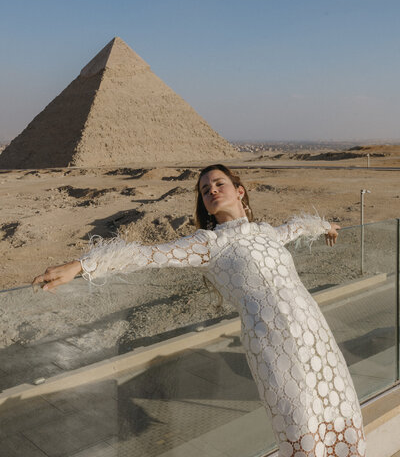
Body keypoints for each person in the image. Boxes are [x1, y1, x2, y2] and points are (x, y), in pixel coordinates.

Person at [33, 164, 366, 457]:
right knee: (300, 423)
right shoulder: (209, 243)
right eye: (205, 190)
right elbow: (146, 255)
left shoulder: (267, 233)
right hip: (273, 345)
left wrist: (326, 226)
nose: (212, 190)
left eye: (219, 183)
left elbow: (297, 226)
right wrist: (82, 265)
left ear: (239, 191)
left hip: (315, 332)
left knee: (340, 405)